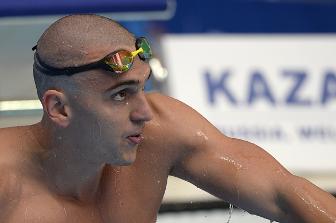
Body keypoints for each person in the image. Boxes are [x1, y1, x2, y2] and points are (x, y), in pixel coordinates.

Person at [0, 14, 335, 223]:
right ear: (59, 108)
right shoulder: (7, 184)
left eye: (143, 87)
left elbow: (283, 193)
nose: (144, 112)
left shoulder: (160, 131)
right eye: (120, 94)